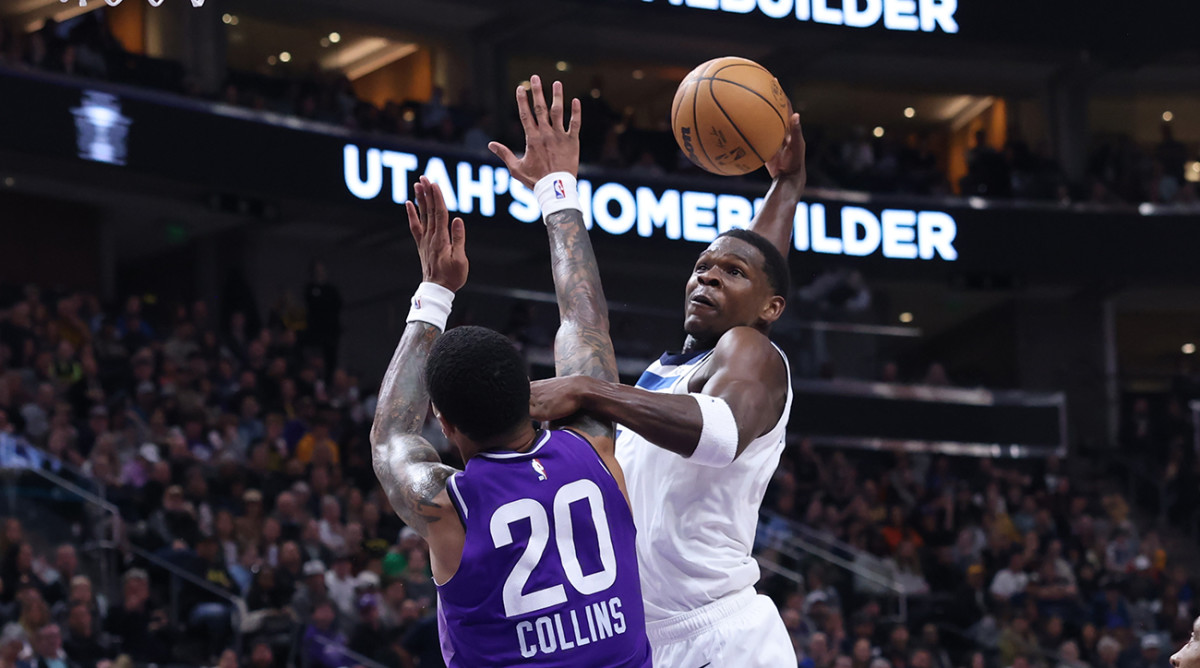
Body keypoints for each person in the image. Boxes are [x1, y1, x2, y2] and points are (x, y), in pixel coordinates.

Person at [516, 74, 808, 664]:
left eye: (729, 274)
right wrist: (787, 183)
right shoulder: (675, 370)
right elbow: (759, 262)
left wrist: (587, 389)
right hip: (656, 640)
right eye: (702, 266)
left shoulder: (751, 352)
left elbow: (719, 432)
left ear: (771, 310)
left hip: (723, 635)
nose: (707, 276)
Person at [369, 75, 651, 667]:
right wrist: (557, 191)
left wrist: (434, 293)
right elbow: (585, 324)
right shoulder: (597, 449)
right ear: (528, 396)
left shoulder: (449, 505)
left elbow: (392, 436)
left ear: (444, 425)